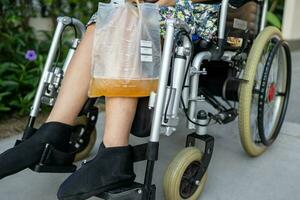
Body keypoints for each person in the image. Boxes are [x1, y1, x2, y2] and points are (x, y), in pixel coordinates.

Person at [0, 0, 248, 199]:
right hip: (150, 7)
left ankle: (115, 155)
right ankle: (52, 135)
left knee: (129, 19)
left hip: (202, 9)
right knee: (106, 19)